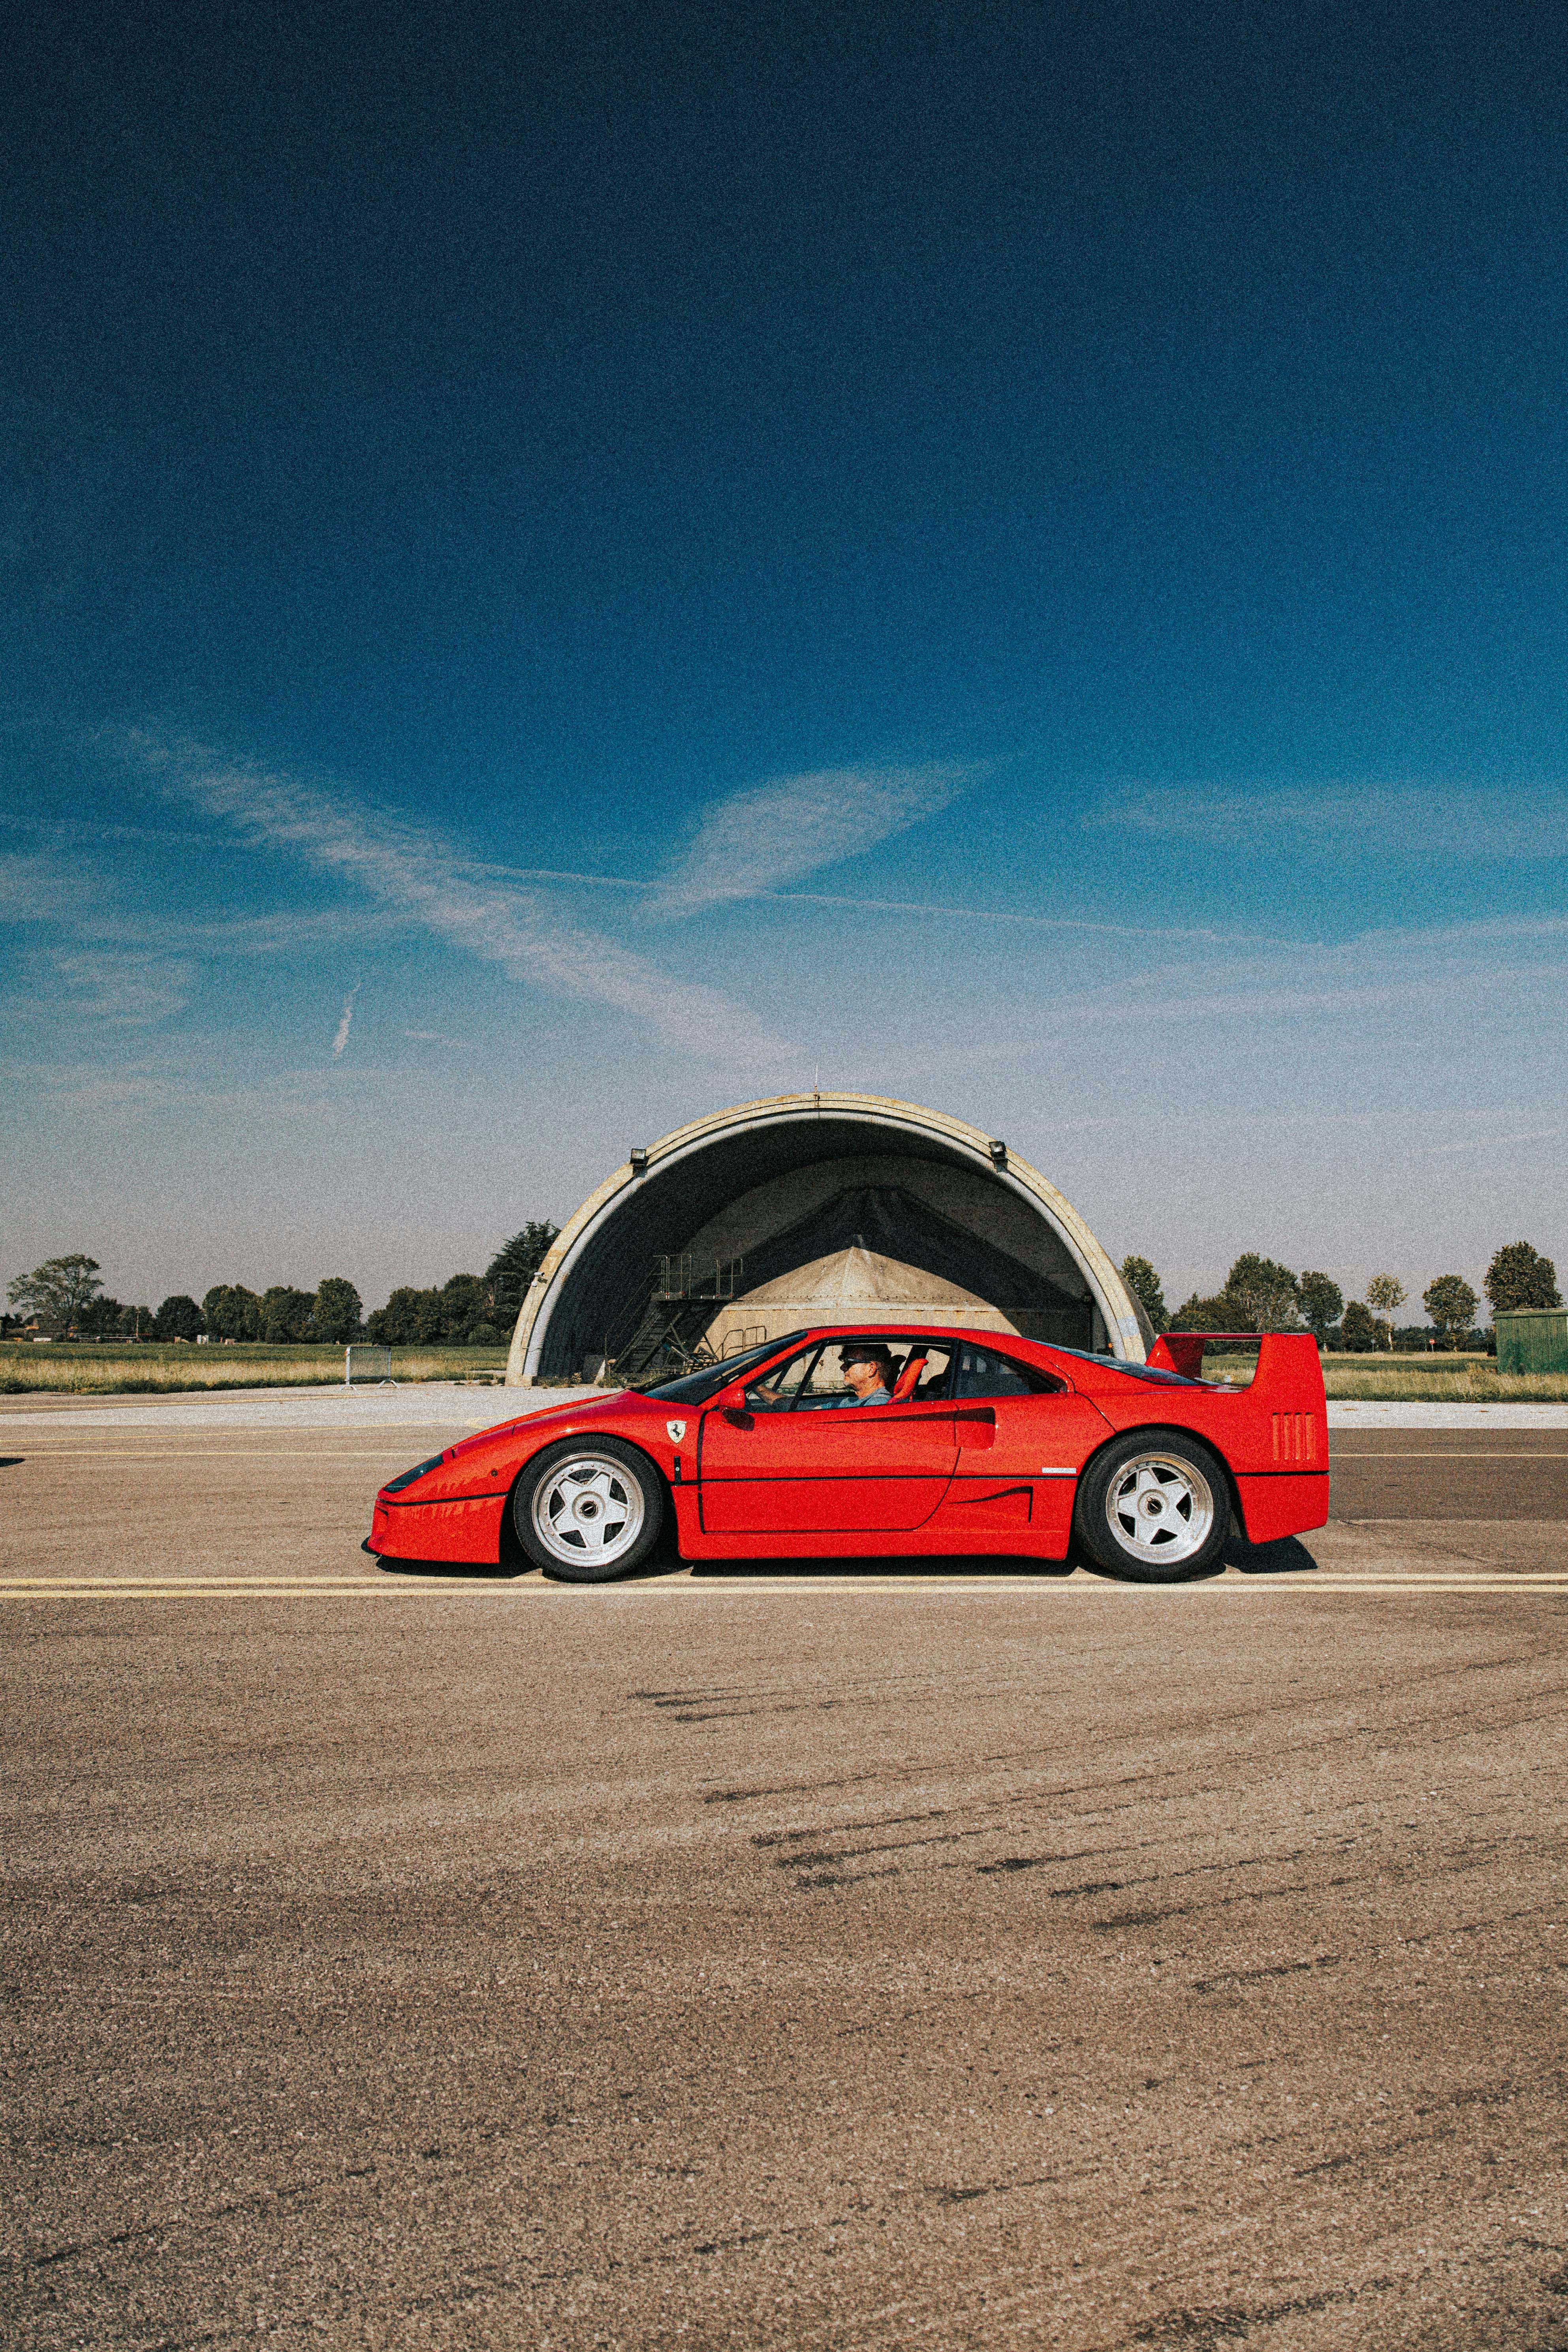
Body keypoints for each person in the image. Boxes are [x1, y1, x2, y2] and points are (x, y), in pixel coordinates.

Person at [832, 1341, 895, 1405]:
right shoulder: (851, 1401)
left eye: (849, 1363)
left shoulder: (877, 1404)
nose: (842, 1367)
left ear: (871, 1369)